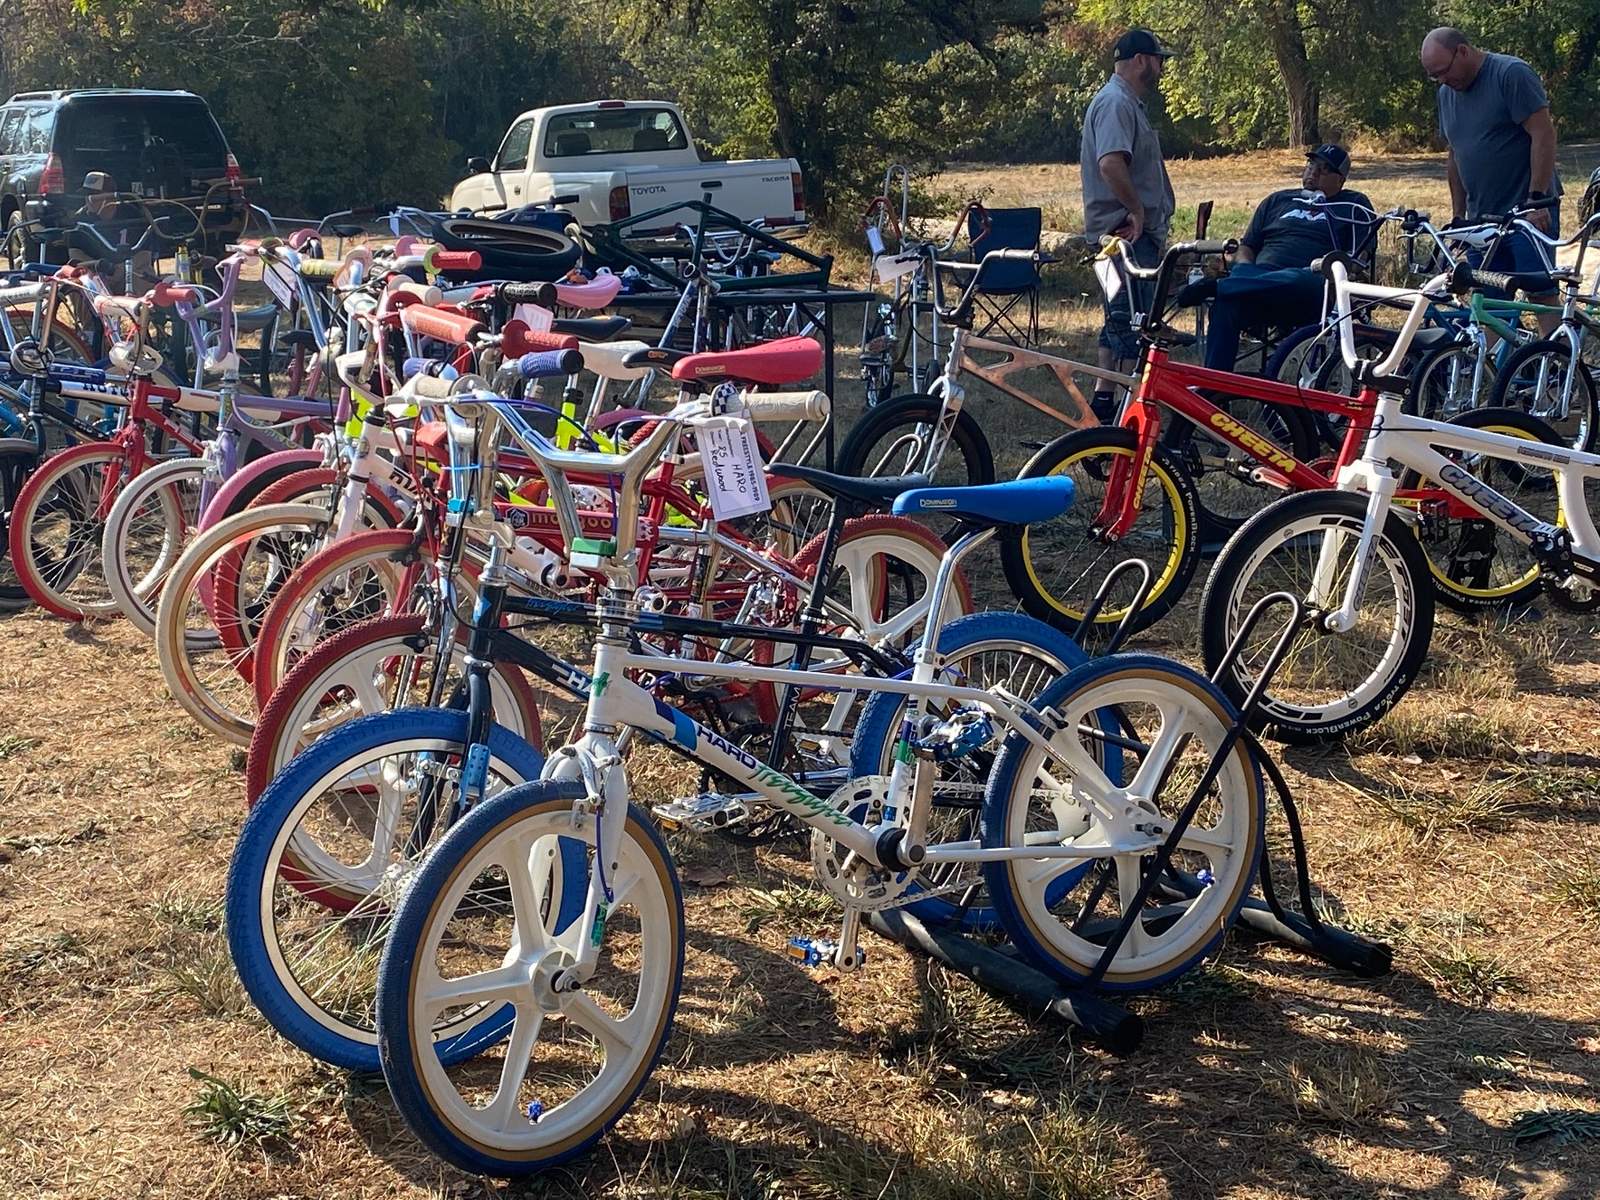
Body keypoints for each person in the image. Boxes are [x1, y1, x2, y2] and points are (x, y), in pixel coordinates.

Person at [1180, 145, 1377, 373]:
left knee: (1299, 277)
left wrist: (1339, 272)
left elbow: (1358, 258)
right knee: (1227, 304)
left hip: (1312, 290)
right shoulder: (1278, 200)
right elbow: (1247, 247)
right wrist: (1244, 267)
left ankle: (1220, 286)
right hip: (1260, 282)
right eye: (1311, 165)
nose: (1313, 173)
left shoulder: (1353, 205)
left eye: (1324, 170)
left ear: (1340, 180)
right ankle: (1212, 389)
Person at [1421, 27, 1561, 321]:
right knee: (1488, 301)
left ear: (1462, 51)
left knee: (1541, 295)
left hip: (1526, 215)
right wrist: (1459, 217)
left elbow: (1543, 134)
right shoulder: (1446, 94)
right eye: (1435, 76)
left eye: (1444, 71)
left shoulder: (1510, 74)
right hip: (1483, 220)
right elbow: (1455, 154)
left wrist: (1536, 200)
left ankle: (1558, 363)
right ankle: (1496, 367)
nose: (1443, 80)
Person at [1080, 27, 1177, 417]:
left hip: (1120, 235)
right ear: (1140, 60)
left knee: (1117, 316)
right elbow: (1110, 163)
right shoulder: (1117, 103)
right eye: (1158, 59)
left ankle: (1104, 400)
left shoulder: (1127, 102)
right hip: (1123, 236)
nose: (1161, 67)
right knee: (1131, 324)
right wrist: (1137, 210)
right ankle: (1122, 412)